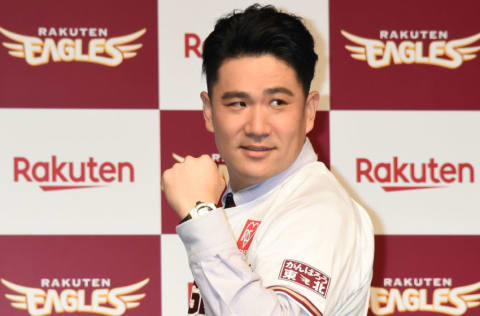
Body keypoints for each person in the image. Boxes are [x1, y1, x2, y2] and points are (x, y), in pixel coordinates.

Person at [161, 4, 374, 316]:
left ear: (309, 111)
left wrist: (199, 214)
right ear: (209, 112)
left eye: (277, 102)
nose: (257, 127)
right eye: (238, 103)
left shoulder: (318, 210)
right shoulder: (256, 200)